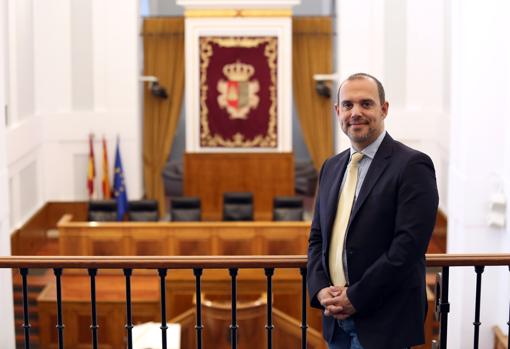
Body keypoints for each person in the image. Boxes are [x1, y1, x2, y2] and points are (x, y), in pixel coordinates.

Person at [307, 73, 439, 349]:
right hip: (336, 322)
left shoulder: (412, 165)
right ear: (337, 111)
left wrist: (355, 297)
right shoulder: (331, 167)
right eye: (348, 105)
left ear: (384, 109)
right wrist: (320, 289)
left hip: (384, 322)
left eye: (366, 104)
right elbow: (317, 238)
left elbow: (407, 247)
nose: (356, 113)